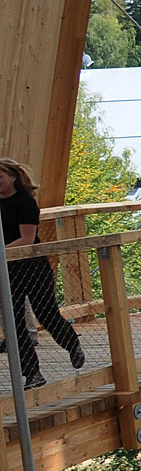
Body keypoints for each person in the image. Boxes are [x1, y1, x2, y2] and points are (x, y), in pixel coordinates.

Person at [0, 159, 83, 389]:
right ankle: (32, 373)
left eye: (0, 177)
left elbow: (26, 240)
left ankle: (71, 344)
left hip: (32, 267)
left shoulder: (25, 203)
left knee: (46, 313)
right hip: (7, 270)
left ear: (13, 177)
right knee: (14, 323)